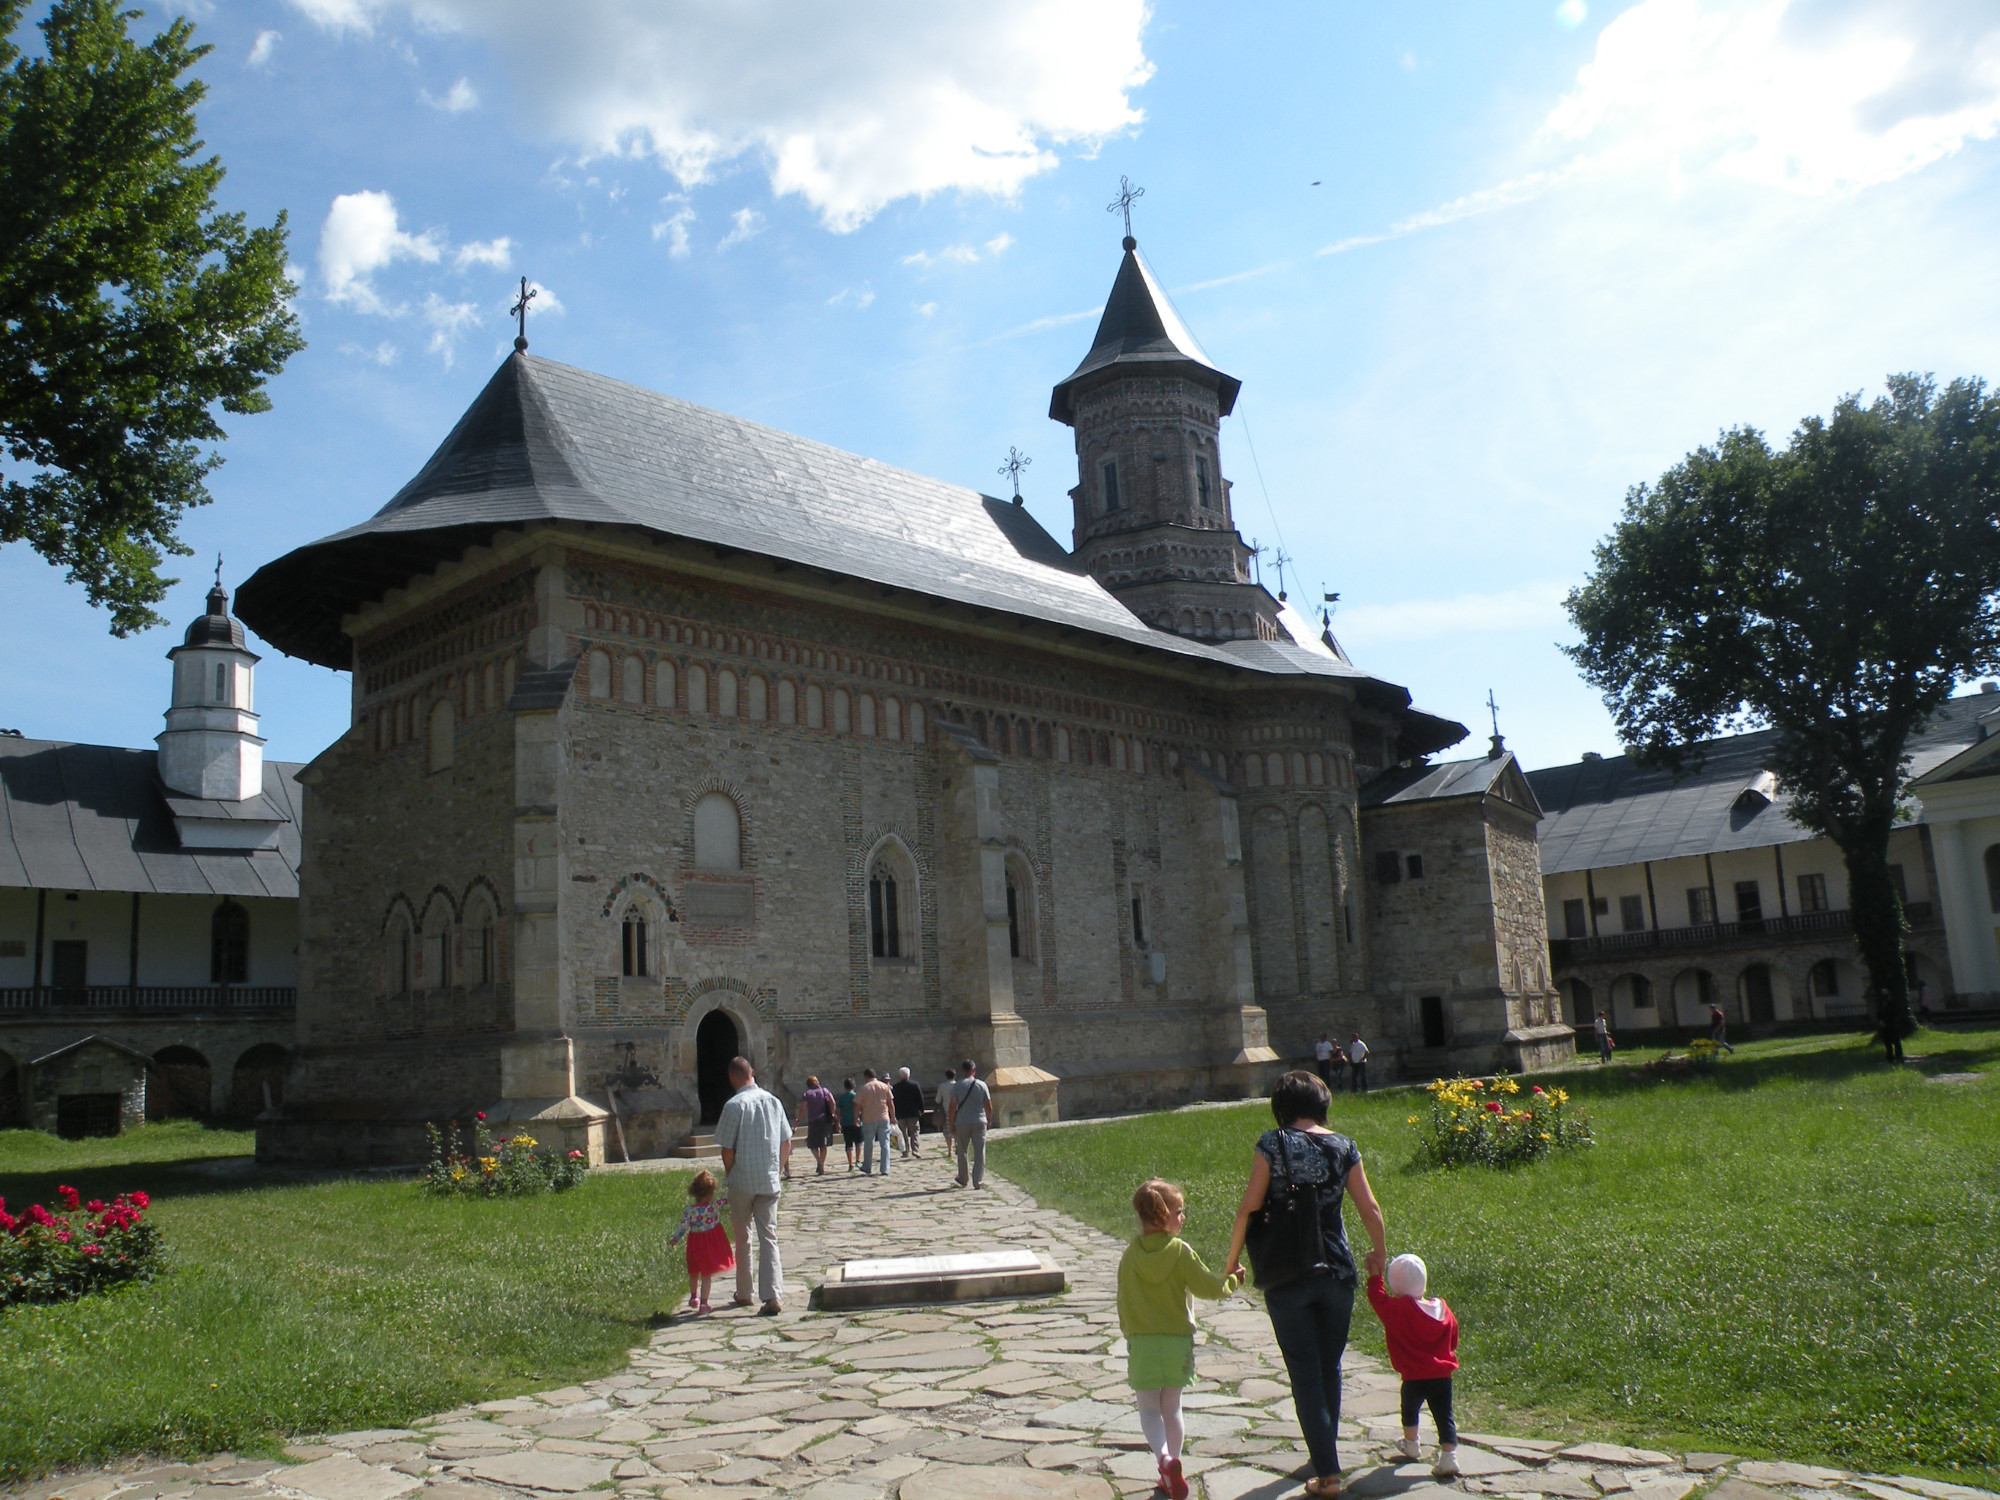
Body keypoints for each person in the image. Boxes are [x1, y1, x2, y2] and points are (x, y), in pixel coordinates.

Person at [1224, 1070, 1388, 1499]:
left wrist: (1232, 1261)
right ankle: (1324, 1453)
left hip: (1285, 1272)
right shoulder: (1344, 1146)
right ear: (1321, 1104)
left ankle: (1328, 1474)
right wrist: (1379, 1254)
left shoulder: (1271, 1144)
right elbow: (1369, 1207)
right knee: (1328, 1365)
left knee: (1303, 1370)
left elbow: (1248, 1207)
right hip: (1336, 1270)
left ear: (1281, 1107)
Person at [1119, 1179, 1242, 1500]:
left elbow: (1123, 1301)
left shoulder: (1130, 1256)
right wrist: (1231, 1280)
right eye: (1178, 1212)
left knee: (1148, 1409)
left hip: (1143, 1342)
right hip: (1177, 1343)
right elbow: (1209, 1288)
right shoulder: (1180, 1251)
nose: (1182, 1217)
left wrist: (1129, 1335)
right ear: (1163, 1216)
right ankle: (1174, 1467)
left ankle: (1164, 1460)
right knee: (1172, 1408)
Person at [1366, 1252, 1460, 1479]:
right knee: (1444, 1415)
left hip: (1413, 1377)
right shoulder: (1443, 1309)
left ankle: (1411, 1444)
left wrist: (1374, 1277)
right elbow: (1454, 1337)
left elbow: (1377, 1299)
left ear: (1396, 1286)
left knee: (1410, 1410)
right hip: (1442, 1376)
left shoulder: (1398, 1310)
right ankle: (1449, 1457)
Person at [713, 1054, 791, 1315]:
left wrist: (731, 1173)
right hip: (769, 1178)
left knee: (743, 1236)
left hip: (742, 1179)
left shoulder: (734, 1105)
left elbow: (727, 1149)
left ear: (732, 1078)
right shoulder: (773, 1101)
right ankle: (773, 1295)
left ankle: (745, 1292)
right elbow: (786, 1141)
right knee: (769, 1236)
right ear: (752, 1072)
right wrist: (777, 1170)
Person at [667, 1169, 734, 1314]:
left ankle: (693, 1298)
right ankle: (704, 1303)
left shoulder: (689, 1210)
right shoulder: (713, 1207)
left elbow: (683, 1226)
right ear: (711, 1193)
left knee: (693, 1271)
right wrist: (733, 1186)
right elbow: (728, 1198)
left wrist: (675, 1239)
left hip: (694, 1243)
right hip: (709, 1243)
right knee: (706, 1274)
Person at [946, 1057, 994, 1189]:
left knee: (962, 1150)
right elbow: (988, 1105)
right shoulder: (982, 1085)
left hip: (962, 1121)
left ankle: (963, 1178)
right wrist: (989, 1119)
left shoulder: (957, 1086)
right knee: (979, 1151)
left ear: (963, 1070)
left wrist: (951, 1123)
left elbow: (952, 1107)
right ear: (974, 1070)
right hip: (979, 1120)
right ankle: (977, 1181)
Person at [857, 1067, 896, 1176]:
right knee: (885, 1144)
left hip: (869, 1119)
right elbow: (890, 1103)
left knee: (869, 1144)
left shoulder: (864, 1088)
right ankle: (885, 1168)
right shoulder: (884, 1086)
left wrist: (856, 1117)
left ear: (866, 1077)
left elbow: (857, 1105)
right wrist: (893, 1116)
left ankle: (867, 1166)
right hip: (883, 1118)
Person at [797, 1075, 837, 1175]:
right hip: (824, 1120)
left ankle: (819, 1161)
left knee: (812, 1144)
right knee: (823, 1144)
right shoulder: (825, 1091)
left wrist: (799, 1119)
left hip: (813, 1121)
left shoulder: (807, 1094)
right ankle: (821, 1163)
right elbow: (832, 1102)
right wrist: (832, 1113)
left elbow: (803, 1107)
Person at [892, 1067, 926, 1158]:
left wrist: (893, 1113)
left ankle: (905, 1151)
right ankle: (915, 1150)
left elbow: (893, 1101)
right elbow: (920, 1098)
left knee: (903, 1133)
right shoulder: (914, 1085)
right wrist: (922, 1109)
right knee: (914, 1132)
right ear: (908, 1075)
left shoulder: (895, 1087)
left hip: (900, 1113)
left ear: (899, 1076)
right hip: (913, 1113)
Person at [835, 1076, 861, 1171]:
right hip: (857, 1122)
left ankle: (850, 1164)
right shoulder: (857, 1096)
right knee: (858, 1142)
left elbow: (837, 1112)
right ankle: (858, 1160)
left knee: (848, 1144)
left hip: (845, 1123)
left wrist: (837, 1123)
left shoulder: (841, 1098)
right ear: (853, 1086)